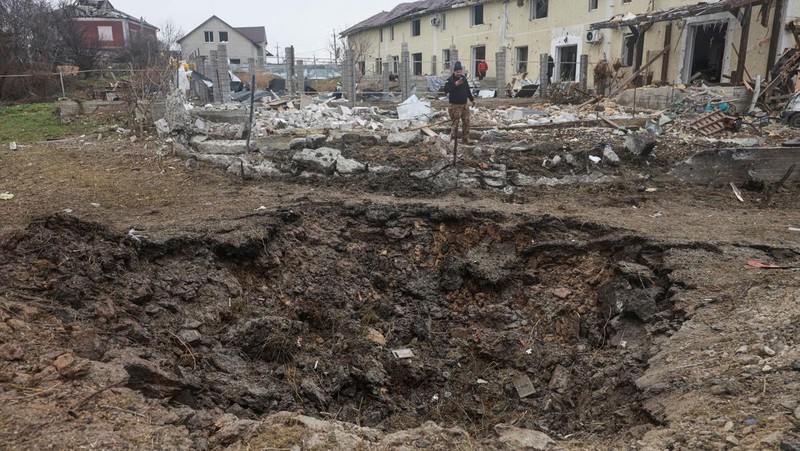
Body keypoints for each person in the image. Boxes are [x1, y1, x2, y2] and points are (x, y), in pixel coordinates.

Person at [444, 61, 475, 144]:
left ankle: (465, 139)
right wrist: (455, 84)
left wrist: (472, 99)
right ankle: (452, 141)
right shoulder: (450, 80)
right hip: (455, 106)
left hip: (464, 105)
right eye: (457, 72)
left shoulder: (463, 78)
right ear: (454, 71)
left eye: (460, 71)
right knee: (455, 124)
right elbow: (446, 90)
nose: (459, 73)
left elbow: (467, 90)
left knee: (466, 122)